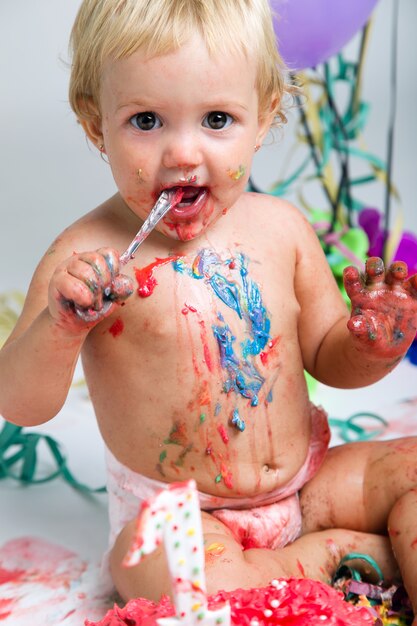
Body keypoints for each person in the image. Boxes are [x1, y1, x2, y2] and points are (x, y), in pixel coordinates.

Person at [1, 0, 417, 618]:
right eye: (147, 121)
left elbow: (330, 357)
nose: (184, 153)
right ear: (97, 126)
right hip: (182, 514)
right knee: (184, 580)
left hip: (306, 486)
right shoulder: (84, 256)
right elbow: (20, 403)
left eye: (217, 118)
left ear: (266, 114)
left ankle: (310, 556)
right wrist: (61, 325)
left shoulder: (282, 229)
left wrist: (370, 347)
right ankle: (340, 560)